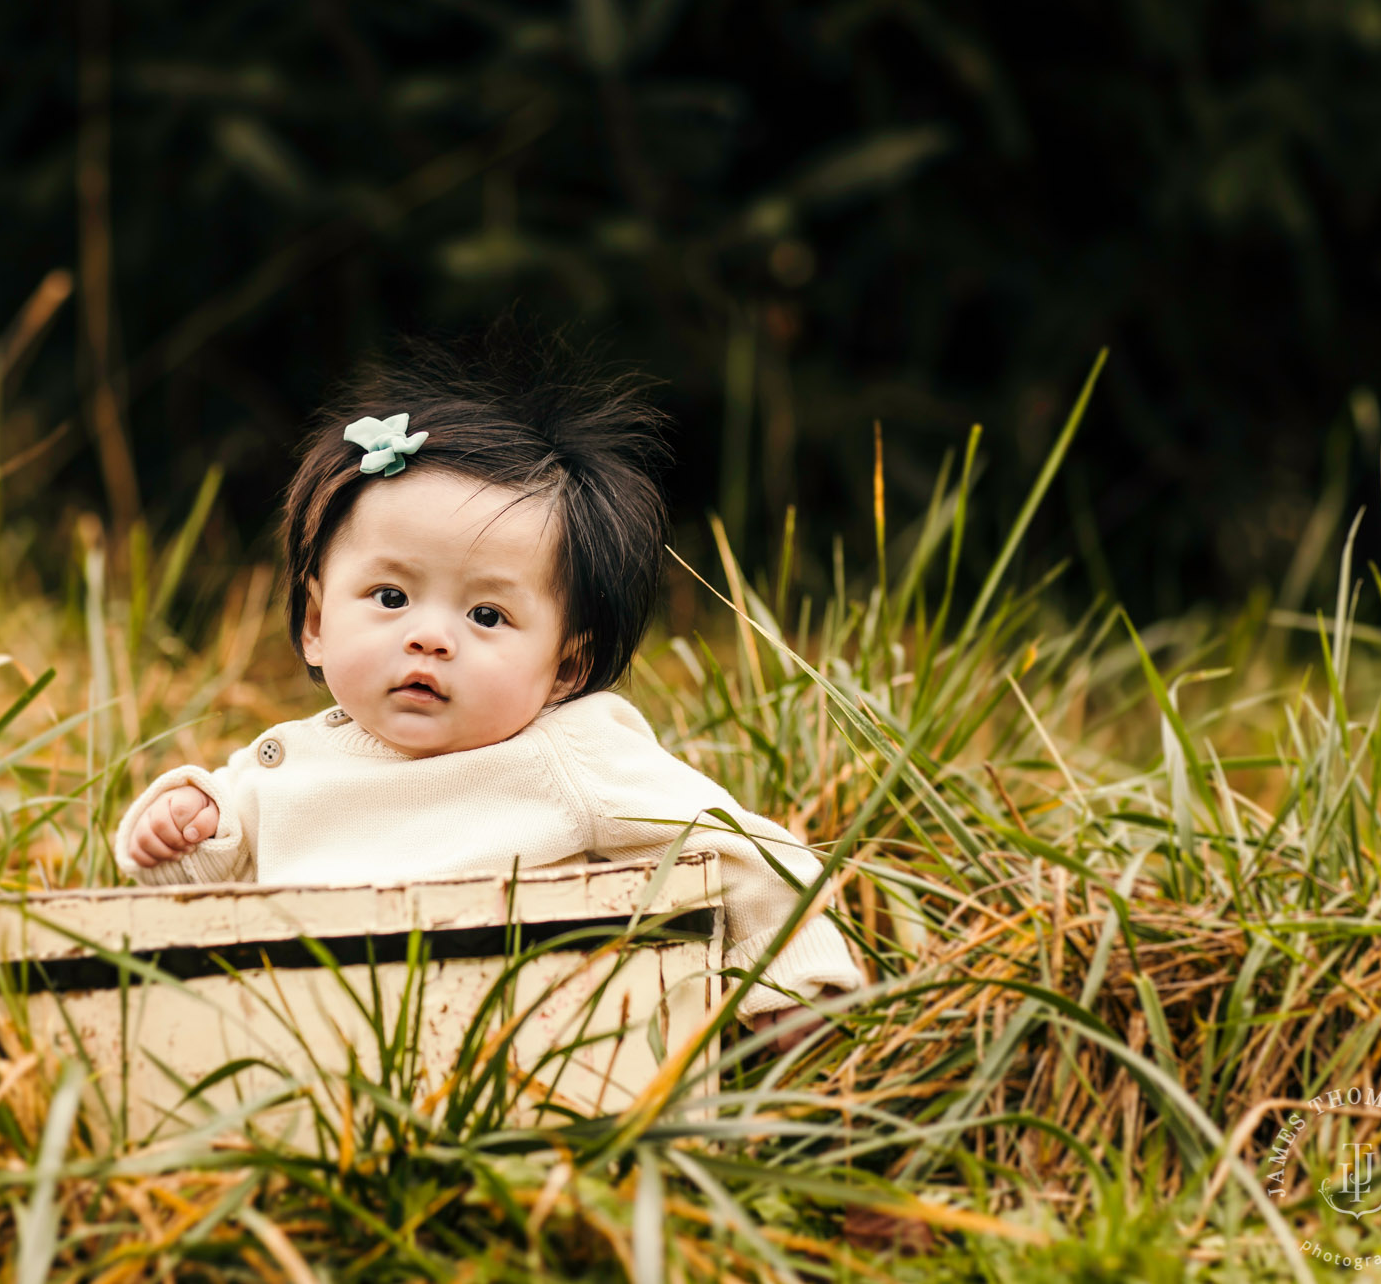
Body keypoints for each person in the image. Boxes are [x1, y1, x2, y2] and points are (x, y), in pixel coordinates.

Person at [112, 322, 863, 1039]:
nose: (430, 636)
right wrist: (182, 825)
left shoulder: (573, 755)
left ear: (567, 665)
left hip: (520, 1053)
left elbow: (730, 843)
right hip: (308, 1051)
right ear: (315, 622)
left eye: (486, 613)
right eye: (392, 597)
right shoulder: (281, 767)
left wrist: (794, 979)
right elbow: (198, 898)